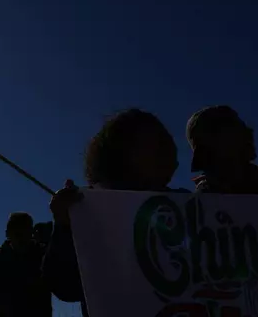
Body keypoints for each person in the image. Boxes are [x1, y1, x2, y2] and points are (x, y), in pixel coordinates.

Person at [43, 109, 187, 317]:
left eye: (163, 146)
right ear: (121, 153)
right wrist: (64, 225)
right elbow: (65, 286)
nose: (162, 154)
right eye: (147, 146)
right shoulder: (91, 208)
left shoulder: (188, 206)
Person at [187, 105, 258, 195]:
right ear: (210, 144)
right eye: (234, 130)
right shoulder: (202, 204)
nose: (249, 133)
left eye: (242, 128)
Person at [0, 212, 52, 317]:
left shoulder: (42, 253)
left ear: (31, 233)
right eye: (17, 233)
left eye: (25, 232)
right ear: (8, 234)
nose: (21, 238)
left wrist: (52, 241)